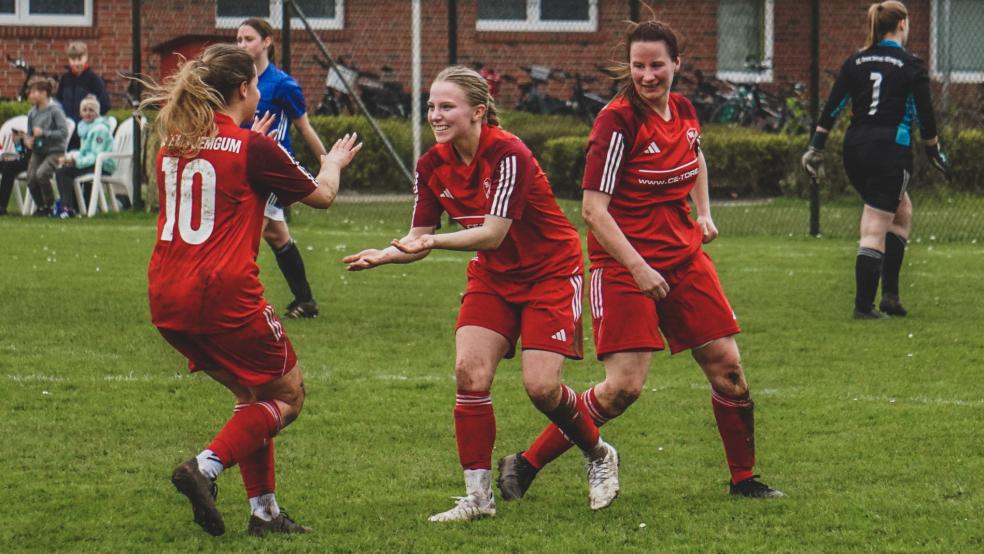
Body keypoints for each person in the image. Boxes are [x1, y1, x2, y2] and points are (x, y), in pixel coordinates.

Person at [496, 20, 784, 502]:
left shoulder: (685, 110)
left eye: (656, 65)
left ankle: (744, 480)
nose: (647, 75)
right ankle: (525, 463)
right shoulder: (617, 122)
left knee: (729, 371)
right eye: (638, 66)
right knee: (622, 388)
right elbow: (593, 210)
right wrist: (638, 268)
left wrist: (705, 212)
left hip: (684, 260)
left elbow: (697, 158)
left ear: (677, 64)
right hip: (623, 267)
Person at [343, 66, 621, 521]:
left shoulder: (509, 153)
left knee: (542, 387)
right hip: (494, 276)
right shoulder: (432, 163)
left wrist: (430, 242)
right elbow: (420, 235)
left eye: (446, 106)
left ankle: (597, 453)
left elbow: (491, 233)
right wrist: (388, 253)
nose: (435, 114)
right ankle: (478, 498)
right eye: (431, 106)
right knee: (469, 373)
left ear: (477, 112)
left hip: (550, 272)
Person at [141, 43, 361, 537]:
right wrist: (334, 163)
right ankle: (205, 467)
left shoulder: (172, 142)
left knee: (253, 397)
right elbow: (322, 196)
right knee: (288, 396)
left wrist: (245, 139)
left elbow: (221, 171)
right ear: (244, 89)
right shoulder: (252, 147)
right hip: (224, 297)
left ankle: (264, 514)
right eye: (256, 83)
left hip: (167, 298)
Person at [802, 1, 951, 319]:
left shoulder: (856, 60)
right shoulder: (911, 64)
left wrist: (816, 147)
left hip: (854, 149)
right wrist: (933, 150)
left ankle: (891, 297)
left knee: (901, 212)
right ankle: (864, 307)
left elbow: (834, 105)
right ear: (902, 24)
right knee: (875, 225)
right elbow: (925, 115)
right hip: (890, 151)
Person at [237, 18, 327, 319]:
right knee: (277, 237)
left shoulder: (282, 85)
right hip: (246, 167)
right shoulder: (237, 82)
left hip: (273, 172)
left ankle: (237, 304)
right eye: (238, 39)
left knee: (245, 237)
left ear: (267, 42)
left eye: (248, 38)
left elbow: (303, 127)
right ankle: (305, 301)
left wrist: (327, 162)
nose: (242, 45)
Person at [54, 95, 115, 218]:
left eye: (91, 110)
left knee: (64, 173)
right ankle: (74, 207)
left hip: (102, 165)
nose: (87, 113)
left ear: (97, 113)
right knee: (63, 170)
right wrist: (71, 159)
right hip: (91, 163)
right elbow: (84, 152)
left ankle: (68, 208)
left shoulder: (100, 129)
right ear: (80, 112)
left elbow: (96, 155)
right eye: (84, 110)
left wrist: (76, 161)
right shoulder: (85, 127)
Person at [24, 76, 70, 216]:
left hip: (55, 151)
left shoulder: (55, 110)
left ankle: (50, 205)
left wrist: (45, 133)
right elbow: (29, 133)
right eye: (31, 92)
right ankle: (41, 206)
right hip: (39, 151)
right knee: (31, 178)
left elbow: (64, 132)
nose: (32, 95)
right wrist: (28, 140)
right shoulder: (32, 112)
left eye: (35, 92)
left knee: (41, 174)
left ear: (44, 93)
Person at [56, 41, 110, 150]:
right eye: (73, 59)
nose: (76, 63)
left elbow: (105, 104)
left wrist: (89, 118)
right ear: (69, 60)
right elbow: (59, 102)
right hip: (68, 132)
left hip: (86, 132)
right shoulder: (65, 79)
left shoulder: (93, 79)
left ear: (86, 57)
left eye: (80, 59)